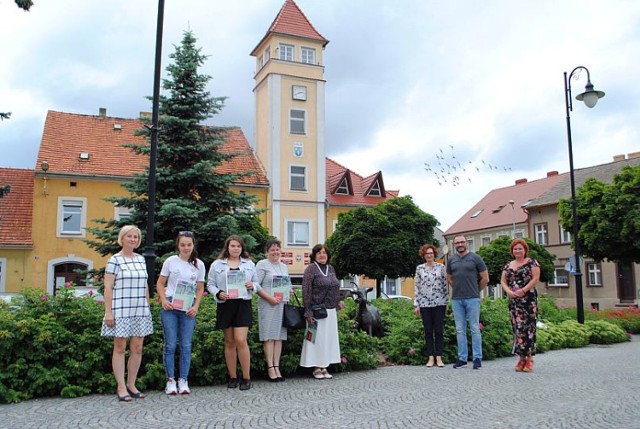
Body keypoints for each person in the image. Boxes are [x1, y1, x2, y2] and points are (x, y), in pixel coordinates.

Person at [207, 235, 270, 391]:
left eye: (238, 246)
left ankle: (246, 377)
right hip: (225, 304)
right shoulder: (217, 264)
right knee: (229, 342)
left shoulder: (249, 264)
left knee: (241, 340)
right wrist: (218, 293)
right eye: (233, 246)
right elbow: (210, 284)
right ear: (227, 247)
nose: (235, 249)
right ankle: (233, 377)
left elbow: (256, 283)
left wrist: (252, 286)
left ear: (242, 248)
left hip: (243, 303)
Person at [101, 225, 153, 402]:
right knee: (120, 347)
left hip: (139, 309)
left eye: (135, 237)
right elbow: (108, 287)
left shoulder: (140, 259)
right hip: (120, 309)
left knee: (137, 348)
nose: (132, 239)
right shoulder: (114, 260)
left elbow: (145, 284)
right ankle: (121, 387)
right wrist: (108, 312)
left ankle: (132, 384)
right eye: (129, 236)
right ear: (122, 238)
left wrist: (147, 305)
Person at [156, 231, 206, 395]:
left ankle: (183, 380)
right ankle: (170, 380)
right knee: (170, 344)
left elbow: (200, 288)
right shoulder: (171, 261)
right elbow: (160, 283)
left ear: (193, 245)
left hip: (188, 306)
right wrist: (163, 300)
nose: (186, 248)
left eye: (189, 245)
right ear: (178, 245)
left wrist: (196, 306)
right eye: (183, 245)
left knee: (186, 345)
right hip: (170, 305)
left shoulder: (199, 264)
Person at [446, 235, 489, 370]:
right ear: (454, 245)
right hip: (457, 299)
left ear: (466, 243)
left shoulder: (476, 258)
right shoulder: (451, 260)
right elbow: (449, 278)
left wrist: (476, 291)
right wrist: (458, 289)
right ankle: (462, 358)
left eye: (462, 242)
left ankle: (477, 358)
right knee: (460, 330)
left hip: (472, 299)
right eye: (457, 243)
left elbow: (485, 278)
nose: (460, 244)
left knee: (475, 328)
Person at [300, 243, 341, 380]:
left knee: (327, 339)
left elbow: (334, 287)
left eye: (324, 252)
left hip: (330, 310)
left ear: (328, 255)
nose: (322, 255)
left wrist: (337, 302)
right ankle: (316, 367)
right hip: (315, 311)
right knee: (315, 339)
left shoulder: (331, 268)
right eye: (319, 253)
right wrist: (308, 311)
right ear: (314, 255)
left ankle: (325, 366)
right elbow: (306, 290)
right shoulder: (311, 269)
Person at [500, 238, 540, 372]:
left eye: (520, 248)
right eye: (515, 249)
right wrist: (509, 292)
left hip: (528, 300)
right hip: (514, 301)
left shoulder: (532, 262)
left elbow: (535, 279)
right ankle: (521, 358)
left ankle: (529, 358)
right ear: (512, 251)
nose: (517, 251)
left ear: (525, 250)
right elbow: (503, 281)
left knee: (528, 328)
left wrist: (523, 290)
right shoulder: (508, 265)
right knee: (517, 328)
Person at [255, 239, 289, 382]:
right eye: (272, 250)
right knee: (269, 337)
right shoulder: (262, 265)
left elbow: (287, 283)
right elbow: (256, 285)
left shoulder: (283, 266)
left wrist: (289, 291)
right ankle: (270, 367)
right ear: (267, 252)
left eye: (277, 249)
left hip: (280, 305)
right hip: (267, 304)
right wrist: (269, 298)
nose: (275, 252)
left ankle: (277, 366)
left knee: (278, 337)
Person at [414, 244, 448, 368]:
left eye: (431, 253)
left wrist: (446, 302)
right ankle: (430, 357)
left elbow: (445, 286)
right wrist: (416, 304)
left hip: (439, 303)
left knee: (439, 330)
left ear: (434, 254)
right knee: (428, 331)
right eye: (427, 253)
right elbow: (417, 286)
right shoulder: (419, 269)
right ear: (424, 255)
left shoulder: (441, 267)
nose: (429, 255)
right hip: (424, 304)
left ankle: (439, 357)